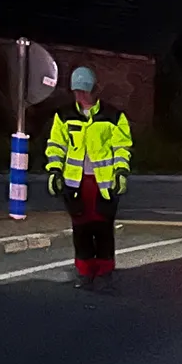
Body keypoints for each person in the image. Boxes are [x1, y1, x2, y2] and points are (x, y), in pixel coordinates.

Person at [46, 65, 132, 290]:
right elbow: (56, 145)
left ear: (96, 90)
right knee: (81, 229)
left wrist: (121, 172)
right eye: (77, 92)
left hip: (104, 183)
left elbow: (121, 147)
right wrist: (55, 171)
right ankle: (84, 273)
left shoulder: (113, 117)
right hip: (75, 183)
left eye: (85, 92)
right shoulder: (64, 116)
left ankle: (104, 273)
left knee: (103, 229)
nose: (81, 97)